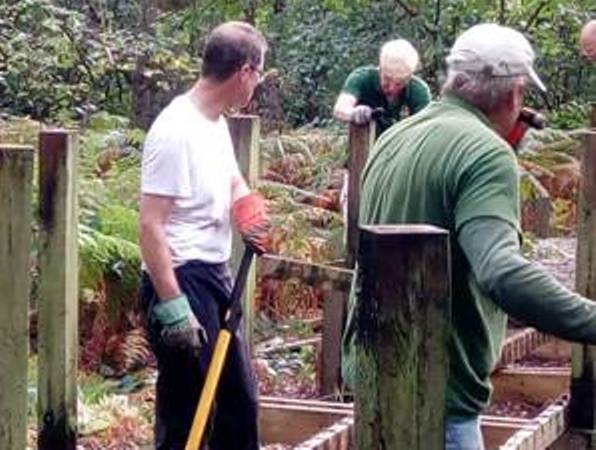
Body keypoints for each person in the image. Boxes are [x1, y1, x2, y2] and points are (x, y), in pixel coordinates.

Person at [342, 23, 596, 450]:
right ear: (515, 93)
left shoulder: (394, 137)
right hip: (439, 401)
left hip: (376, 386)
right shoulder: (484, 153)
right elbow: (502, 273)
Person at [139, 21, 270, 450]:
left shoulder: (213, 123)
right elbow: (151, 225)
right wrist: (173, 306)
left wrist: (246, 207)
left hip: (214, 275)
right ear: (245, 71)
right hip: (180, 280)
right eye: (259, 74)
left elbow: (232, 181)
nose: (257, 84)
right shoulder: (175, 130)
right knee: (189, 416)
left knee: (238, 407)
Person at [333, 39, 431, 135]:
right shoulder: (362, 78)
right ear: (380, 69)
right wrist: (354, 113)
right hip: (364, 141)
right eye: (387, 79)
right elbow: (340, 108)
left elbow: (425, 126)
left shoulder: (418, 90)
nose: (392, 88)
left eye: (399, 83)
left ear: (409, 77)